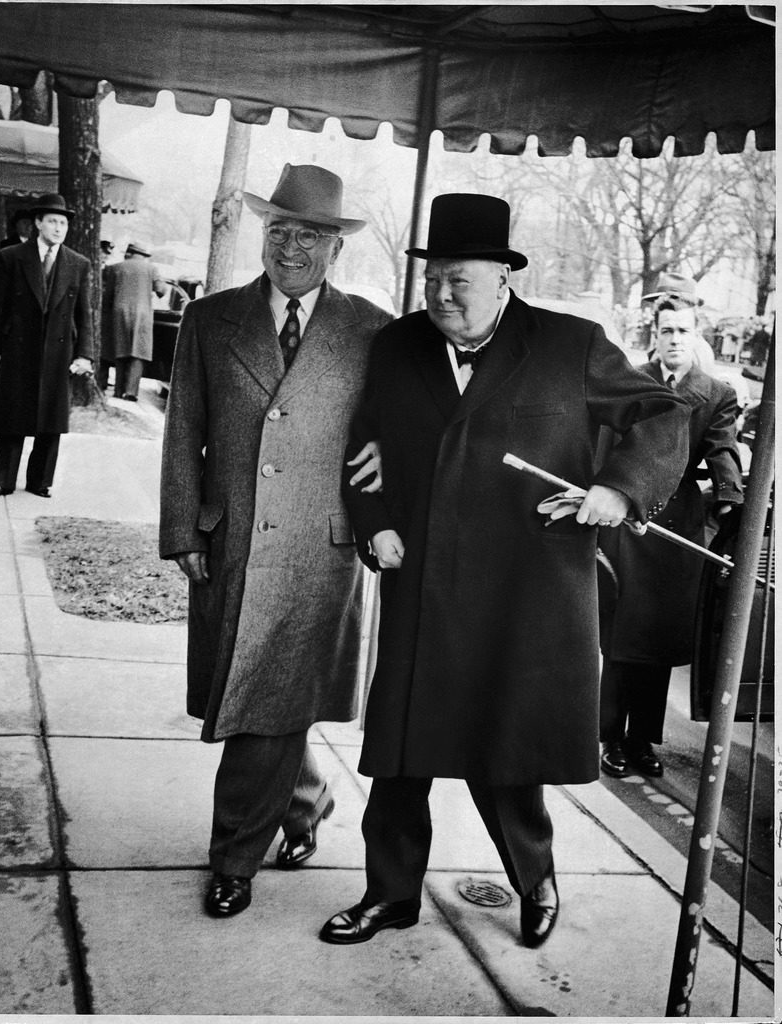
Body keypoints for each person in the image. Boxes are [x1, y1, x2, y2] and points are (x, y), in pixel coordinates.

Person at [319, 193, 690, 949]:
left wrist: (616, 489)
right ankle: (389, 895)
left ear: (501, 280)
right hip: (422, 581)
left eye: (460, 281)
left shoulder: (570, 344)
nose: (442, 296)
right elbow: (368, 441)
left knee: (507, 749)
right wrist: (377, 522)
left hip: (527, 590)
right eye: (433, 281)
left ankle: (535, 880)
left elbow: (664, 414)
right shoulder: (398, 347)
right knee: (399, 755)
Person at [159, 163, 393, 919]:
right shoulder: (209, 318)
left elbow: (403, 430)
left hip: (321, 551)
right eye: (280, 229)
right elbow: (183, 431)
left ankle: (234, 858)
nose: (291, 246)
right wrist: (180, 528)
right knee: (261, 692)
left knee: (266, 699)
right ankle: (306, 800)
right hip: (229, 541)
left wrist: (390, 462)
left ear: (337, 249)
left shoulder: (372, 331)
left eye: (311, 235)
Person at [598, 296, 744, 780]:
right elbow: (607, 443)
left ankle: (642, 740)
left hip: (675, 524)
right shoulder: (631, 381)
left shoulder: (717, 393)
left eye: (683, 331)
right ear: (655, 336)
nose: (675, 339)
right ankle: (610, 740)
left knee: (657, 641)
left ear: (695, 335)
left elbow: (722, 450)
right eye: (667, 331)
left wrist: (731, 500)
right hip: (627, 518)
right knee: (622, 637)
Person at [0, 193, 93, 499]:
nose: (58, 228)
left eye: (63, 223)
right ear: (38, 223)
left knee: (51, 421)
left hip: (58, 354)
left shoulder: (78, 264)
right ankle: (2, 480)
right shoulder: (13, 257)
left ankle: (40, 482)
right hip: (18, 350)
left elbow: (85, 314)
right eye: (53, 221)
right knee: (11, 417)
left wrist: (85, 354)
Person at [99, 241, 168, 400]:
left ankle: (118, 390)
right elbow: (162, 290)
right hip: (143, 316)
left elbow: (107, 296)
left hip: (118, 313)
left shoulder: (114, 268)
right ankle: (130, 392)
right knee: (138, 353)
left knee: (120, 350)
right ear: (143, 256)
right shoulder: (151, 269)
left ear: (128, 253)